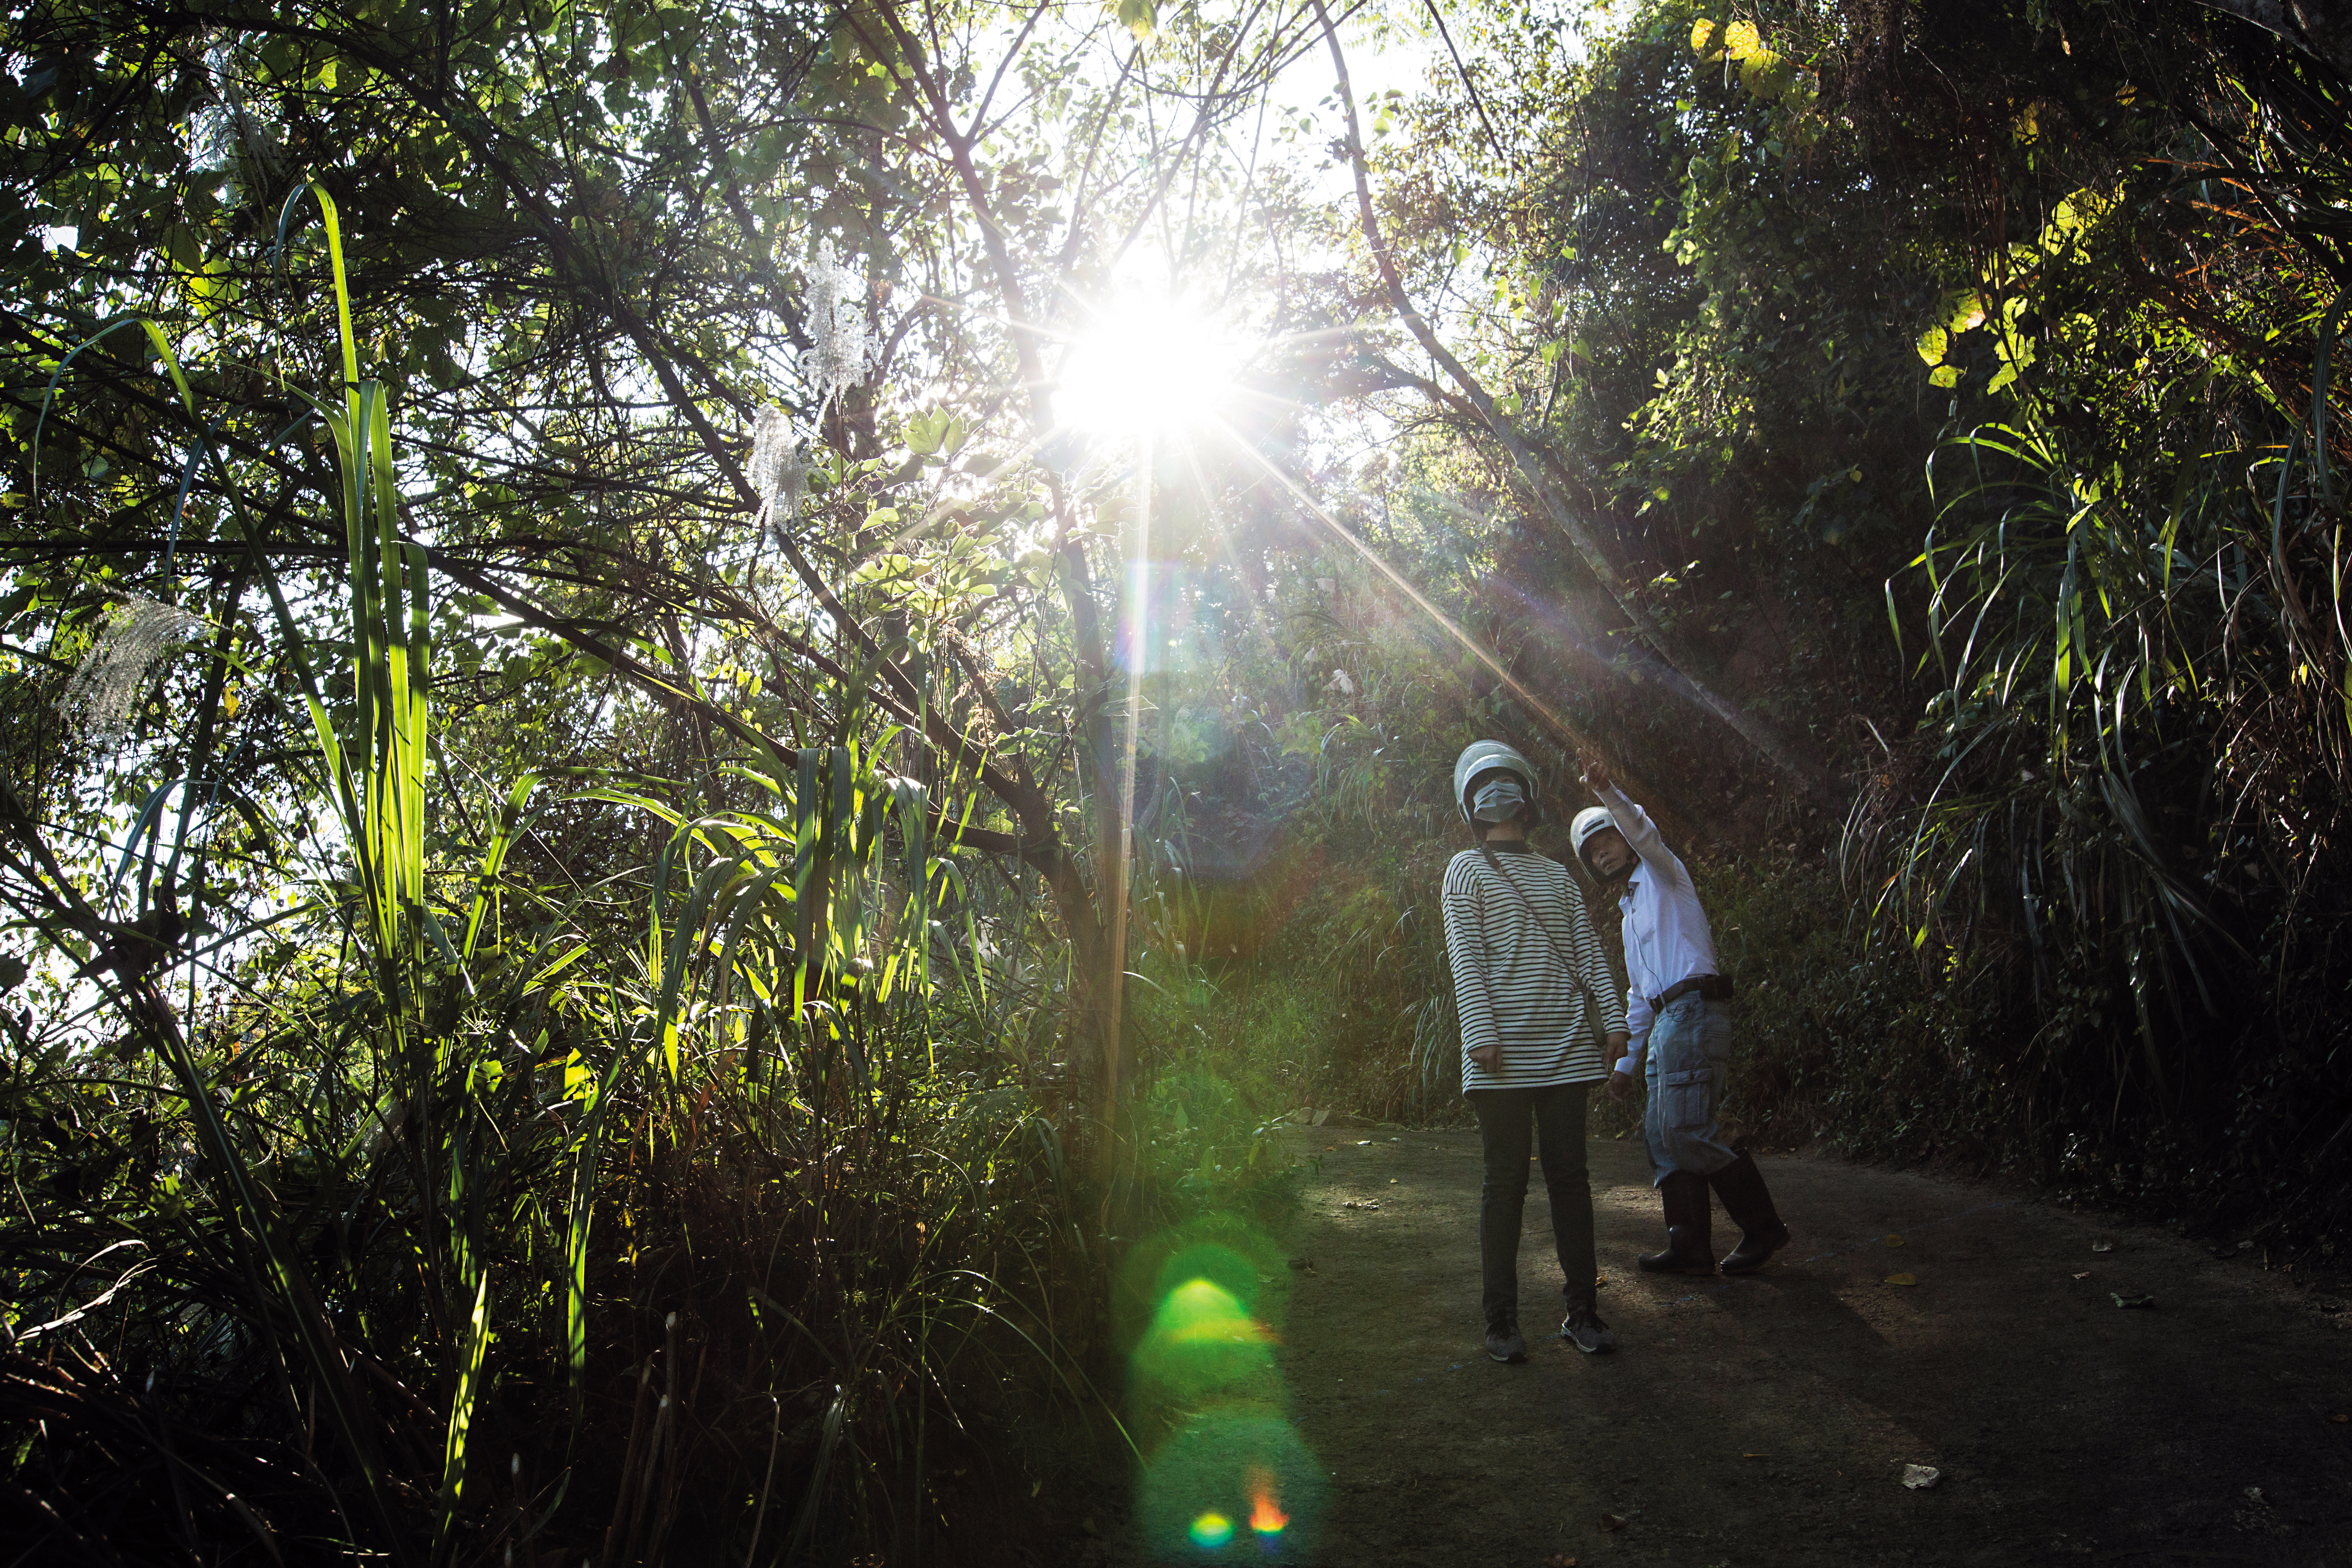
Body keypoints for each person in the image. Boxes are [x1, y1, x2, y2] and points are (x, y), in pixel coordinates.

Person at [1443, 740, 1630, 1363]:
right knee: (1505, 1184)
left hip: (1568, 1049)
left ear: (1526, 796)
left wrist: (1615, 1022)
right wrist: (1480, 1032)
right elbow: (1466, 958)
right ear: (1471, 803)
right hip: (1499, 1055)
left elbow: (1587, 953)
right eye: (1485, 784)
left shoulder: (1555, 875)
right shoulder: (1465, 870)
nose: (1496, 792)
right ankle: (1500, 1321)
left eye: (1505, 781)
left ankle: (1583, 1313)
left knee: (1571, 1182)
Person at [1572, 759, 1791, 1275]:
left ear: (1626, 839)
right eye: (1592, 852)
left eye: (1608, 840)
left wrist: (1607, 791)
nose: (1603, 854)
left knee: (1689, 1130)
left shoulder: (1664, 873)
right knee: (1659, 1136)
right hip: (1666, 1020)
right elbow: (1640, 995)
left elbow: (1646, 832)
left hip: (1694, 1010)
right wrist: (1624, 1067)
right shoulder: (1628, 914)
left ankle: (1764, 1229)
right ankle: (1689, 1244)